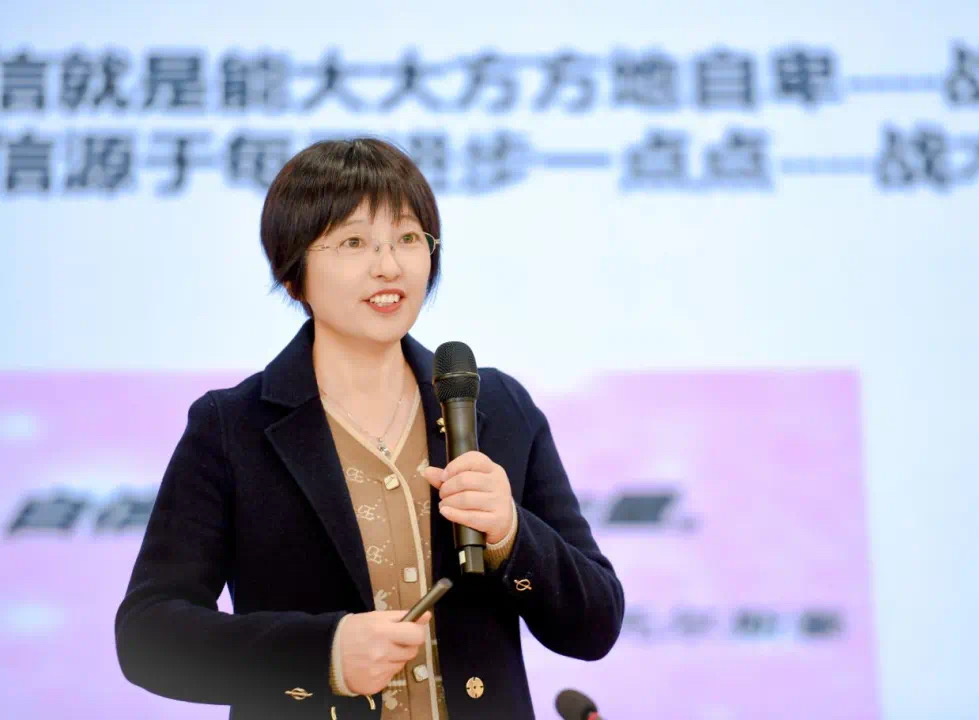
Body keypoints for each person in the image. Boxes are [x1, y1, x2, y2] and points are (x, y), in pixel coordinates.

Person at [114, 138, 624, 720]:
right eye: (354, 242)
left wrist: (512, 535)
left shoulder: (497, 406)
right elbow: (149, 636)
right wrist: (324, 655)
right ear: (293, 274)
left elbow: (596, 625)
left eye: (408, 238)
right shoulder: (232, 428)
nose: (389, 265)